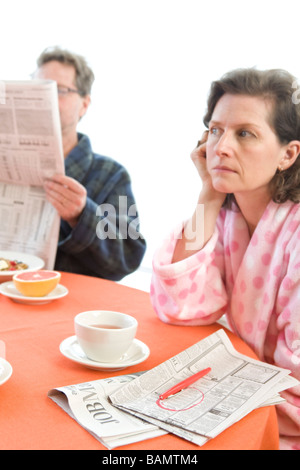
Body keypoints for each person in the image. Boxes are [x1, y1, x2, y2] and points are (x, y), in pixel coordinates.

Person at [150, 68, 300, 450]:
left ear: (288, 153)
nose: (222, 147)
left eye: (244, 133)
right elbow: (178, 306)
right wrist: (209, 195)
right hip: (246, 399)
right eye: (215, 131)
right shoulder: (229, 215)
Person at [33, 46, 146, 280]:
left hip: (75, 309)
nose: (46, 97)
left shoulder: (113, 175)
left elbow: (129, 255)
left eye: (59, 90)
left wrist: (81, 215)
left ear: (84, 104)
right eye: (39, 88)